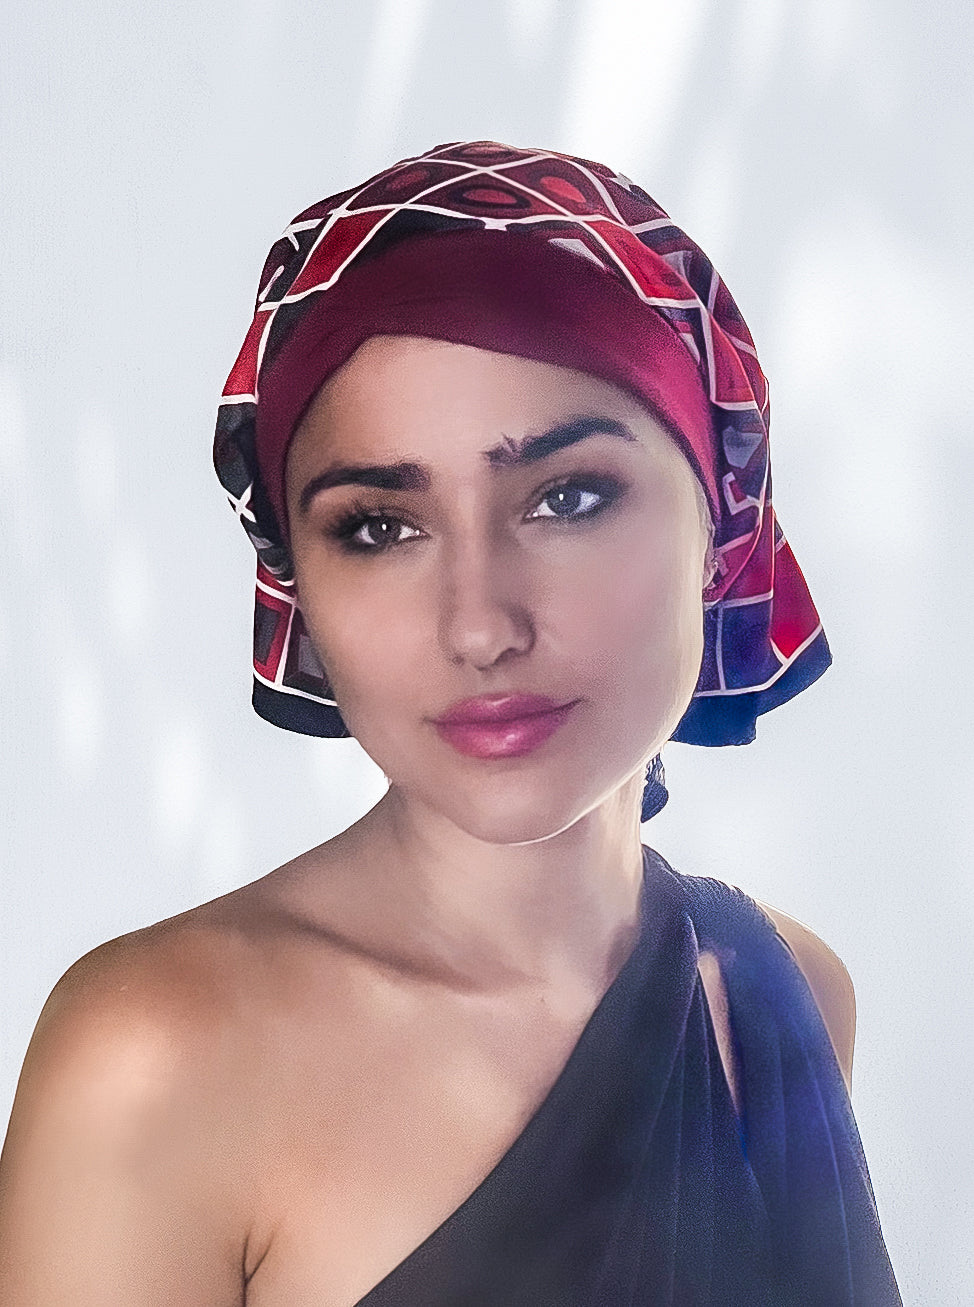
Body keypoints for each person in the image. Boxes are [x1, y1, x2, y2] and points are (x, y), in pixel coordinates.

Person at [0, 141, 901, 1305]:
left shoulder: (786, 991)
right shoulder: (157, 1064)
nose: (478, 624)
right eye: (377, 525)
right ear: (297, 582)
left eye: (565, 496)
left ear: (724, 520)